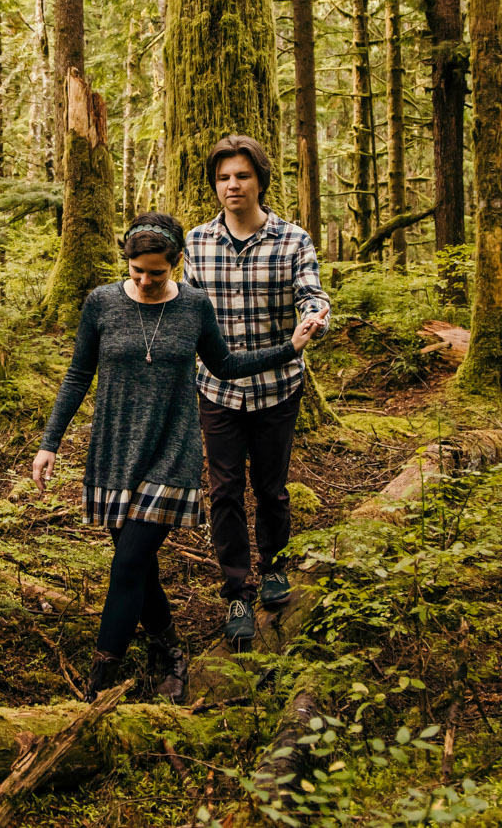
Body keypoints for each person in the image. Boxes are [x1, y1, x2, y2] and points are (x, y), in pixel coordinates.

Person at [33, 213, 329, 699]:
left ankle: (96, 685)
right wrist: (50, 443)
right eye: (137, 271)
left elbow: (226, 366)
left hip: (173, 450)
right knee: (138, 564)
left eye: (157, 271)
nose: (146, 281)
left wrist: (289, 348)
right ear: (126, 263)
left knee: (128, 565)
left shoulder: (194, 305)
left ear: (177, 264)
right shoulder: (101, 303)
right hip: (114, 450)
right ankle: (167, 646)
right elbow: (76, 375)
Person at [183, 134, 332, 646]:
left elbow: (313, 293)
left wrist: (316, 317)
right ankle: (236, 592)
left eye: (242, 175)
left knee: (271, 486)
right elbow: (187, 312)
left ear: (260, 180)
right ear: (214, 185)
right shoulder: (197, 242)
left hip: (277, 387)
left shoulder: (293, 240)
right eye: (224, 177)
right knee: (224, 491)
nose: (232, 186)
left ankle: (272, 566)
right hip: (217, 391)